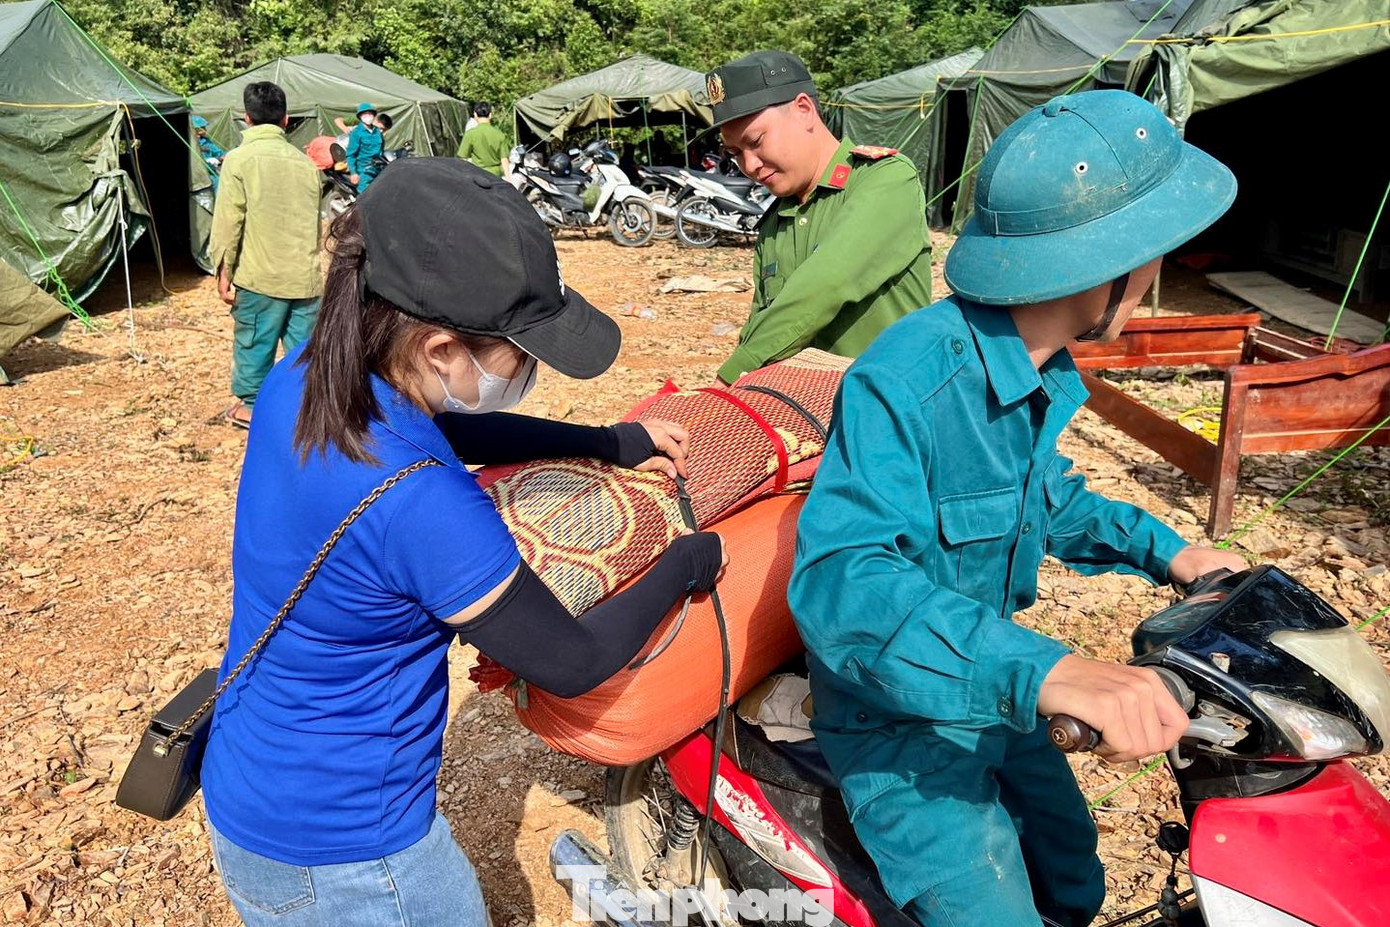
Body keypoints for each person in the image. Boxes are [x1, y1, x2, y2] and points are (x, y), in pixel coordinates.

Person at [200, 157, 728, 926]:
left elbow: (451, 426)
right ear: (441, 350)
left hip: (253, 788)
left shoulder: (311, 375)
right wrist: (687, 560)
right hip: (354, 862)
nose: (531, 369)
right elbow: (571, 659)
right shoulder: (421, 503)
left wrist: (609, 441)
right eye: (524, 351)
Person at [787, 90, 1249, 927]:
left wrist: (1173, 554)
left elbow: (1049, 499)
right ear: (1107, 263)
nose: (1159, 273)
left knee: (1073, 879)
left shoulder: (1035, 367)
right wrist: (1050, 672)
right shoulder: (907, 380)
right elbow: (840, 582)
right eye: (1156, 250)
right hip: (897, 719)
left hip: (996, 691)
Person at [703, 50, 933, 385]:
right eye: (736, 153)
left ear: (804, 110)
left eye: (756, 141)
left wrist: (733, 375)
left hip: (885, 407)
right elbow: (762, 323)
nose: (750, 165)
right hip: (803, 409)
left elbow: (827, 284)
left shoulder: (886, 179)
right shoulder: (776, 221)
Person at [208, 81, 322, 429]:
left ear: (246, 118)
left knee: (255, 343)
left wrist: (223, 270)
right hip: (304, 278)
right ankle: (308, 410)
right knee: (304, 350)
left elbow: (229, 221)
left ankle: (251, 408)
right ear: (285, 120)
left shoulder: (238, 160)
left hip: (260, 277)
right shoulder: (306, 164)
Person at [456, 101, 509, 177]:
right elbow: (504, 160)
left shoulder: (470, 134)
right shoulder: (499, 134)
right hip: (496, 176)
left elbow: (463, 158)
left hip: (478, 175)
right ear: (490, 115)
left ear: (475, 115)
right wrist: (508, 178)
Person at [345, 101, 385, 192]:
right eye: (365, 114)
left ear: (374, 116)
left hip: (378, 168)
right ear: (360, 116)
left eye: (370, 114)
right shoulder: (356, 133)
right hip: (364, 170)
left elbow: (381, 150)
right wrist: (353, 173)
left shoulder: (378, 131)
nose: (368, 116)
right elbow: (350, 154)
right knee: (365, 195)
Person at [192, 115, 225, 190]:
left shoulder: (206, 141)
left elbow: (217, 152)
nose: (205, 130)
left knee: (219, 185)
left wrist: (223, 156)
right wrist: (206, 161)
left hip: (211, 173)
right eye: (202, 128)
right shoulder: (191, 142)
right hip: (198, 176)